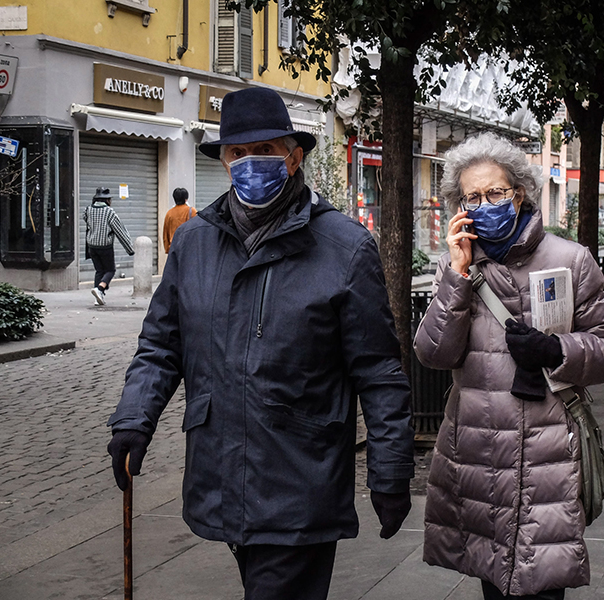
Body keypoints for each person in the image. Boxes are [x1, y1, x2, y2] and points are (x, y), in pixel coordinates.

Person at [106, 87, 415, 600]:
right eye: (239, 153)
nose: (251, 163)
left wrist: (389, 470)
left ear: (294, 158)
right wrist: (134, 419)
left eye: (266, 151)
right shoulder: (195, 242)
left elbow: (379, 372)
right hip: (223, 475)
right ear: (225, 160)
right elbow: (161, 345)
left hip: (301, 480)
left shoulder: (343, 247)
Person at [414, 132, 604, 599]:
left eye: (495, 192)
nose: (484, 203)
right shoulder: (460, 268)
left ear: (520, 193)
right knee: (494, 580)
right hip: (480, 456)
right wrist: (456, 275)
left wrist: (556, 352)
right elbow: (433, 354)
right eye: (473, 196)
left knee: (544, 579)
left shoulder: (570, 260)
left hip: (547, 455)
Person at [83, 187, 135, 305]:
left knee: (99, 271)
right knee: (110, 270)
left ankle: (98, 298)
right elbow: (120, 231)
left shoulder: (88, 210)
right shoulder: (109, 212)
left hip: (92, 246)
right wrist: (129, 249)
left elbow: (85, 219)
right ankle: (100, 289)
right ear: (107, 200)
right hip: (105, 246)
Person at [162, 187, 196, 253]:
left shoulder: (169, 213)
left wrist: (167, 249)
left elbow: (165, 234)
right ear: (186, 199)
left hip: (173, 247)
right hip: (188, 247)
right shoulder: (191, 211)